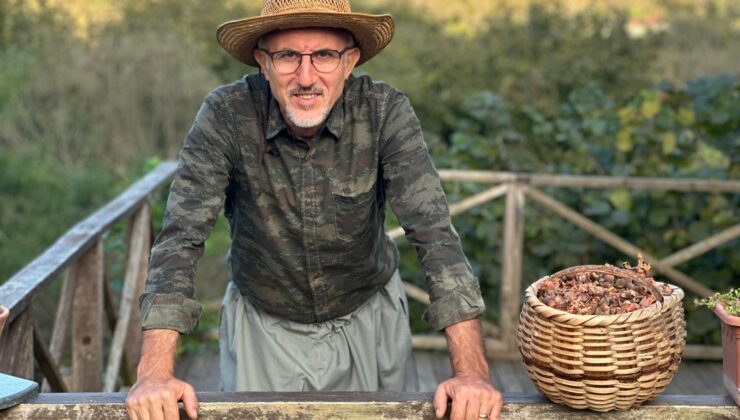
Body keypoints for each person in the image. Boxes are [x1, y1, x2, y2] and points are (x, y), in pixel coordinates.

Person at [125, 1, 503, 419]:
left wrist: (472, 374)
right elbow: (181, 237)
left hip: (368, 315)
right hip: (264, 323)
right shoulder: (226, 115)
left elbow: (434, 234)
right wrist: (154, 374)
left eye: (323, 55)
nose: (306, 77)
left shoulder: (385, 111)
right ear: (262, 61)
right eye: (288, 56)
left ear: (350, 61)